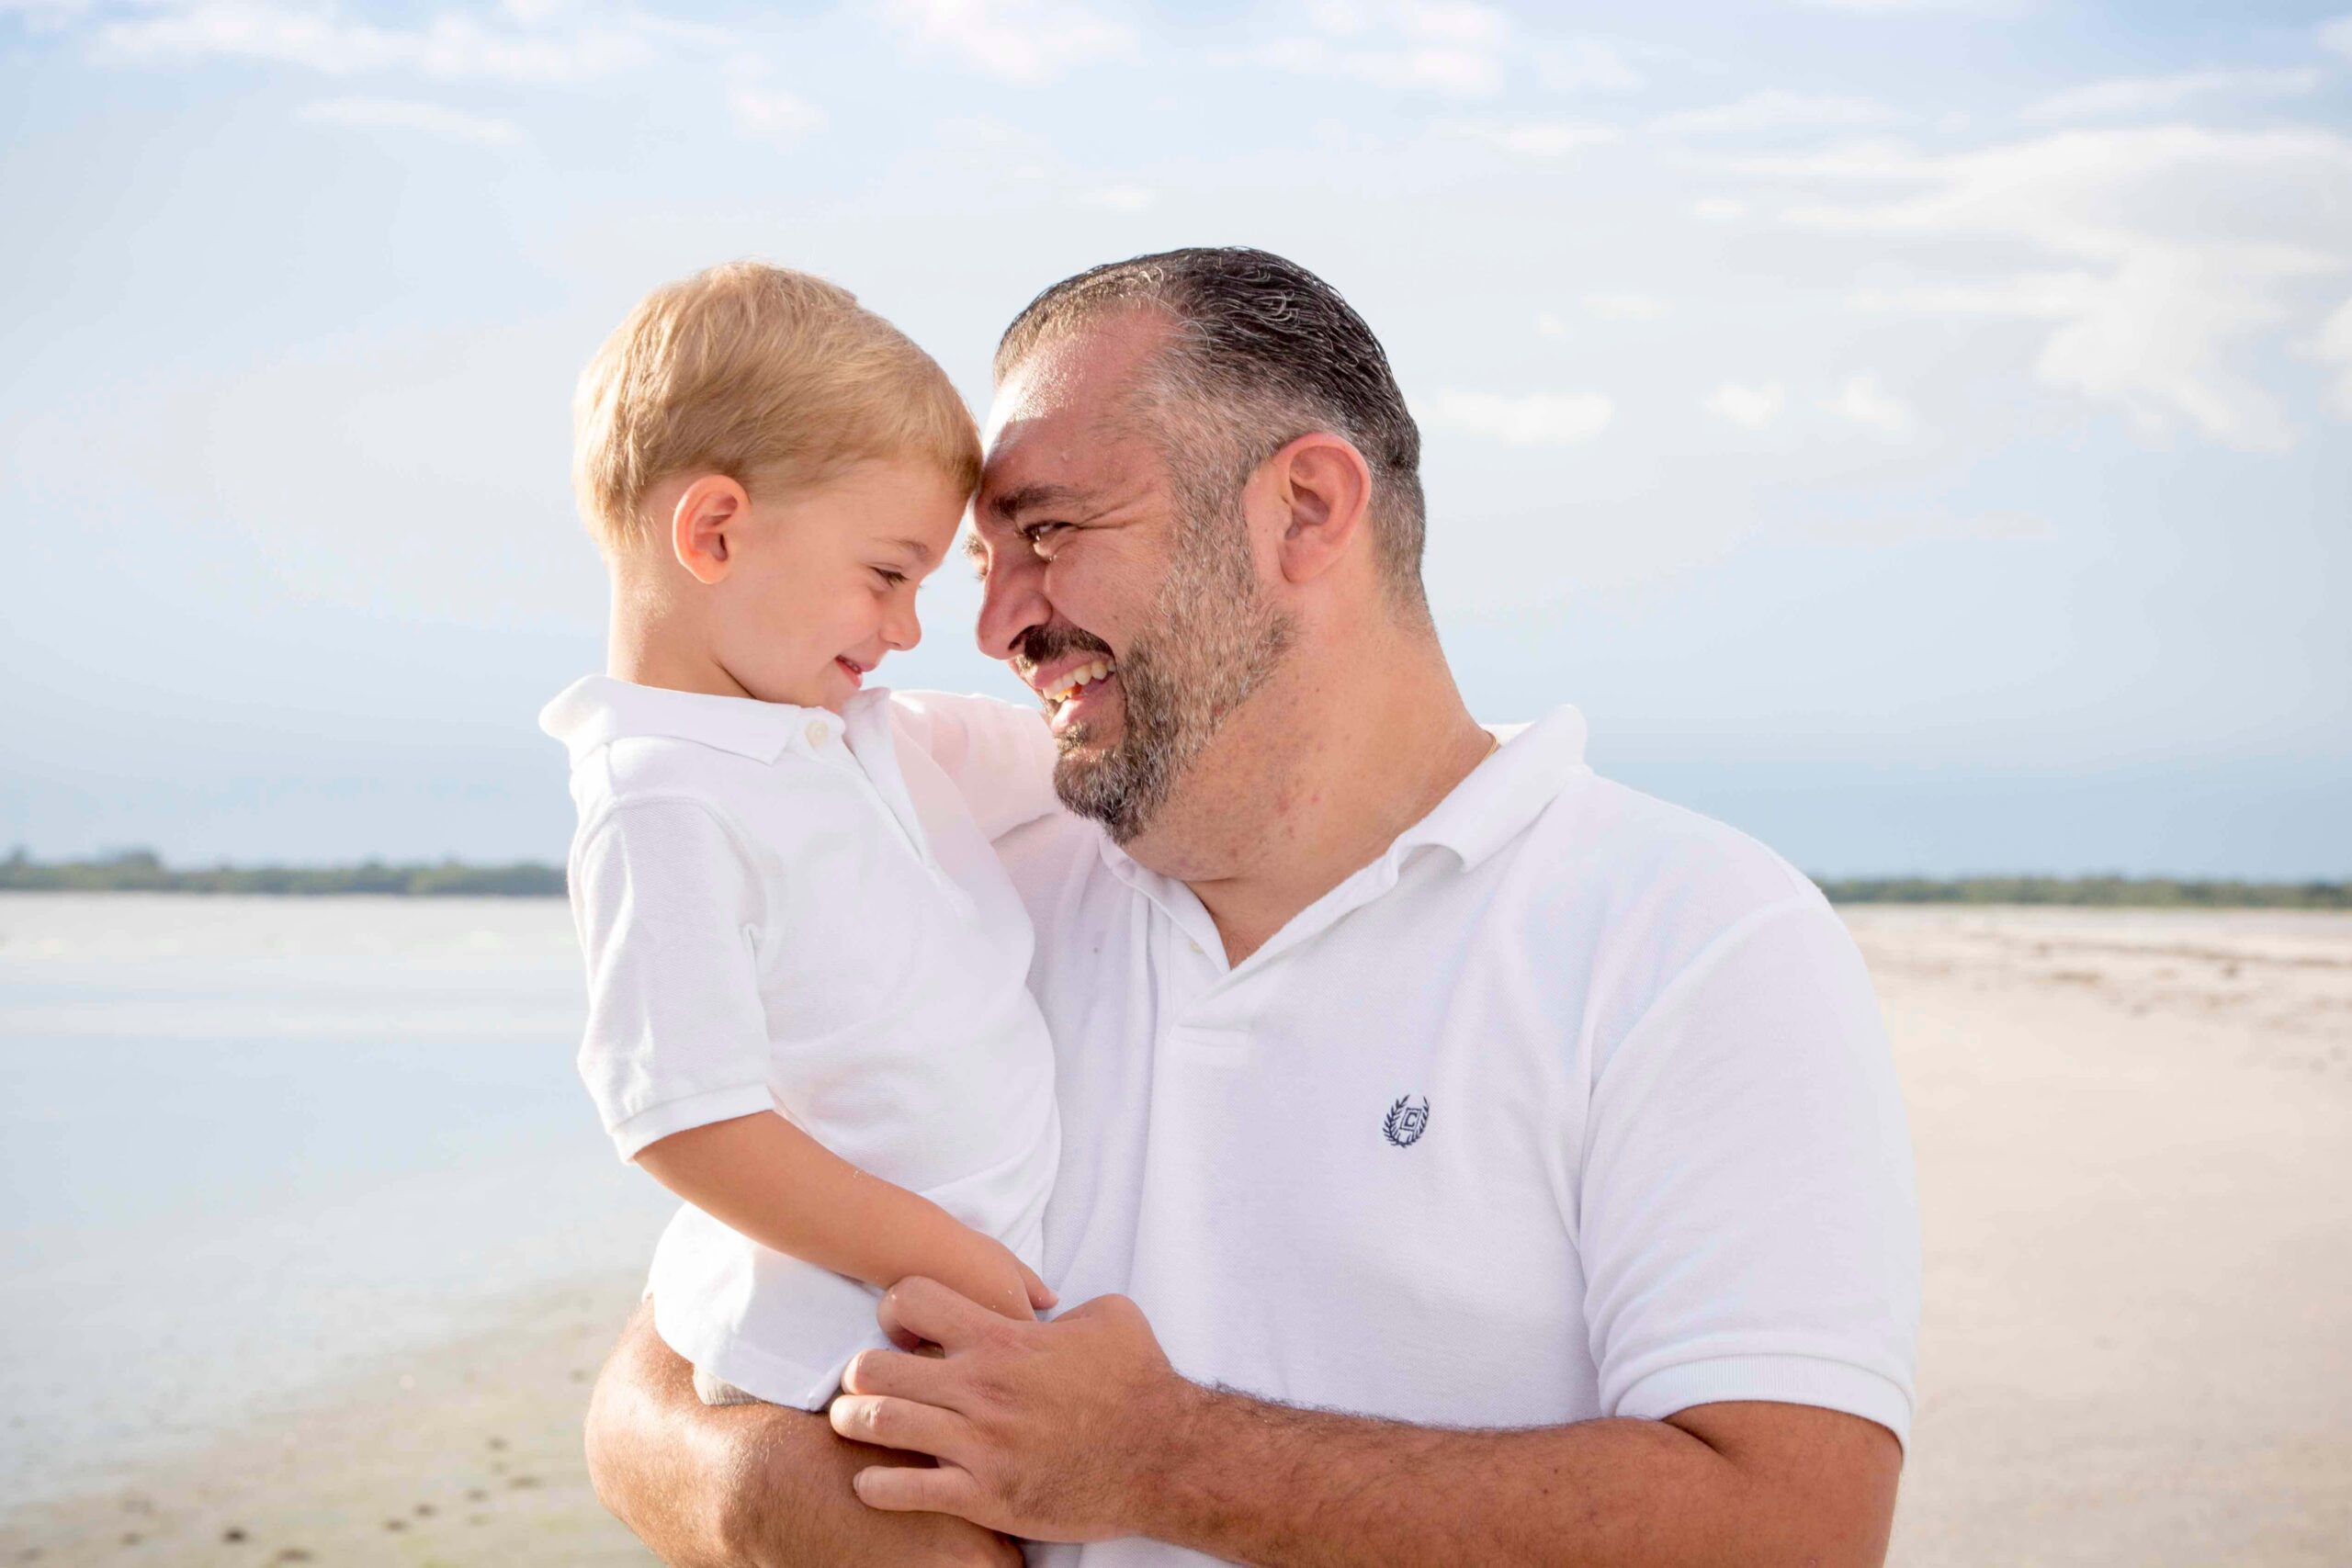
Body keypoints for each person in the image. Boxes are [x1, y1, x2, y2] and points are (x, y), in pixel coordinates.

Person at [583, 247, 1923, 1567]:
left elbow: (1797, 1525)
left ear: (1304, 509)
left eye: (1047, 531)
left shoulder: (1692, 934)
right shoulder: (974, 875)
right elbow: (652, 1385)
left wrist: (1163, 1455)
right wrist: (781, 1496)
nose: (990, 626)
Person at [539, 261, 1068, 1419]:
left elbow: (1077, 756)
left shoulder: (861, 732)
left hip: (929, 1315)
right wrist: (939, 1257)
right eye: (887, 574)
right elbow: (684, 1117)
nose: (909, 626)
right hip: (833, 1349)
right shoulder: (660, 797)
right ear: (716, 531)